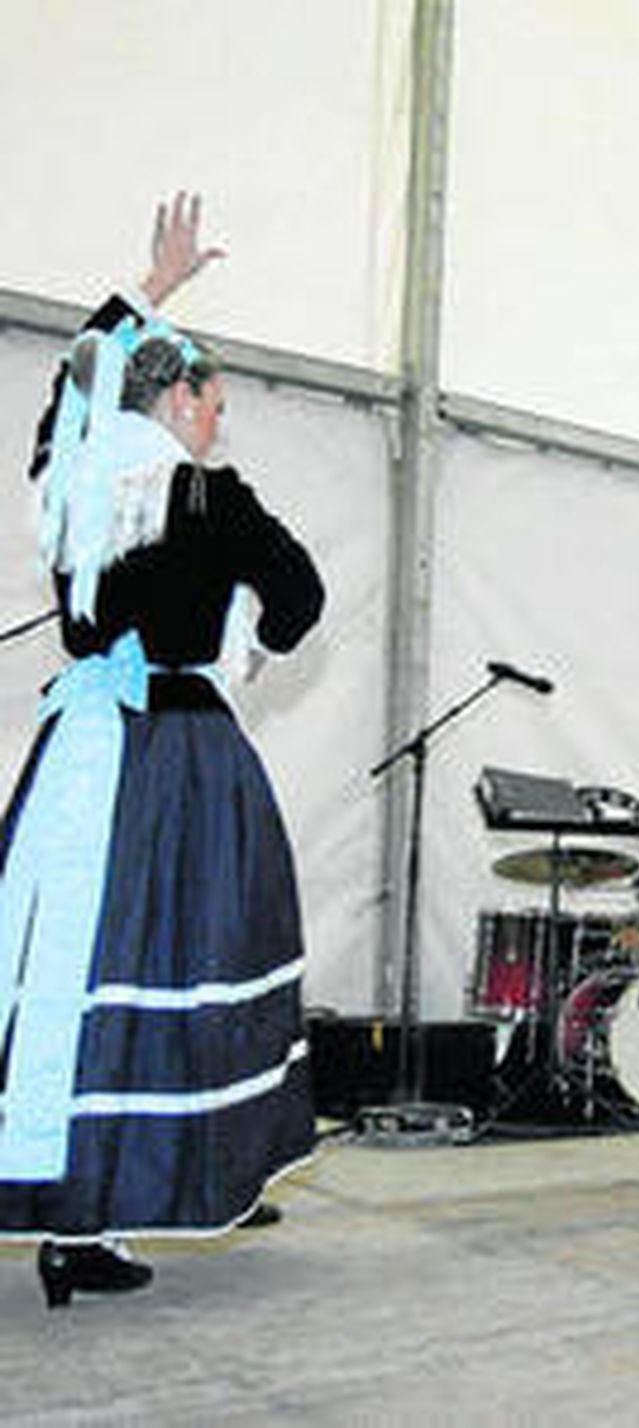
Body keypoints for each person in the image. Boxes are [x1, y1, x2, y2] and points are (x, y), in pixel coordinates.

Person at [0, 194, 324, 1306]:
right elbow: (301, 597)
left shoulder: (76, 485)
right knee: (186, 960)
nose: (214, 426)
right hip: (179, 753)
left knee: (70, 970)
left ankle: (62, 1210)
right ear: (178, 394)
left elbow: (70, 390)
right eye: (212, 404)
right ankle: (147, 1185)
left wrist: (150, 288)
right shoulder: (207, 494)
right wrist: (249, 626)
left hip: (80, 746)